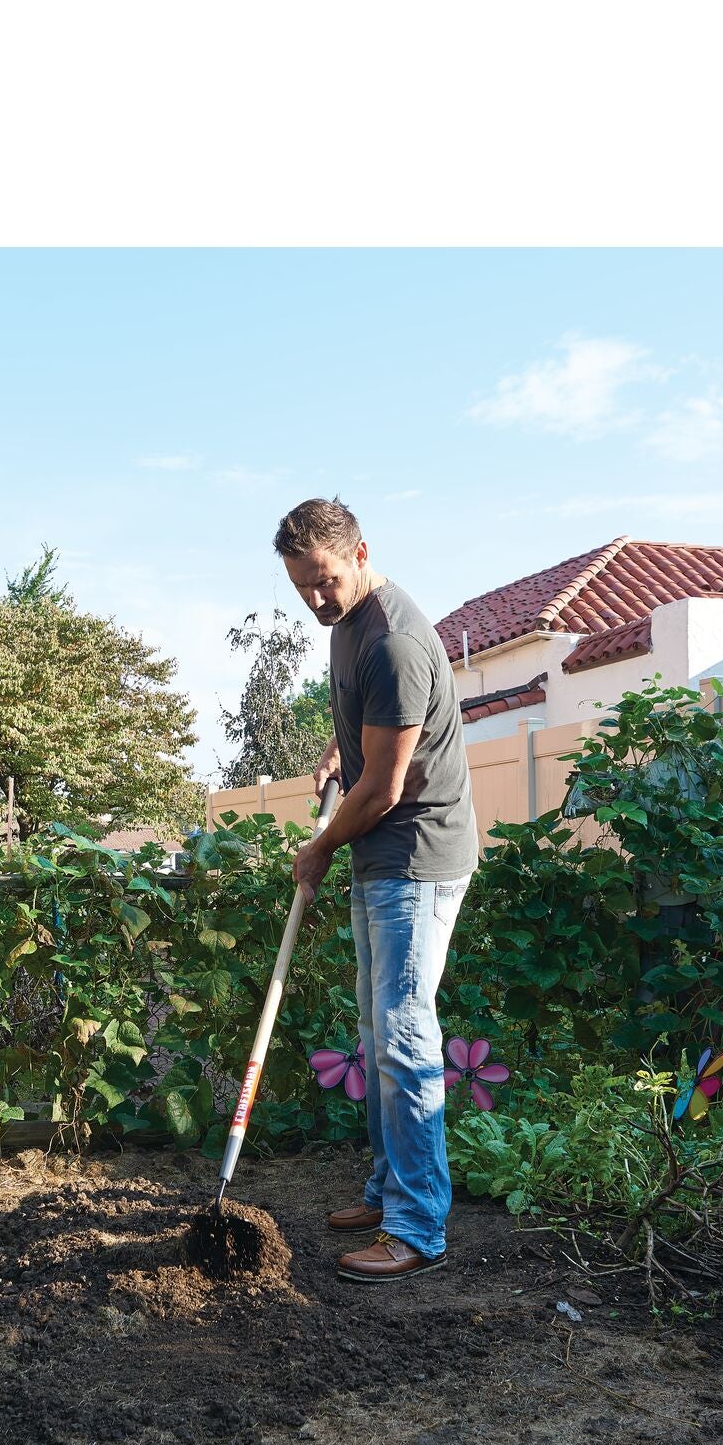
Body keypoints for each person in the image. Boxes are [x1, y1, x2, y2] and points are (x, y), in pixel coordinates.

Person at [276, 497, 476, 1282]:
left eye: (324, 581)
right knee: (378, 1031)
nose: (316, 600)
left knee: (402, 1034)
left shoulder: (391, 638)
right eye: (302, 589)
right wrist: (336, 754)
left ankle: (419, 1227)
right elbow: (375, 726)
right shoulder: (350, 627)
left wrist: (321, 846)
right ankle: (390, 1190)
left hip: (413, 856)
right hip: (380, 854)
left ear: (361, 552)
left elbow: (387, 787)